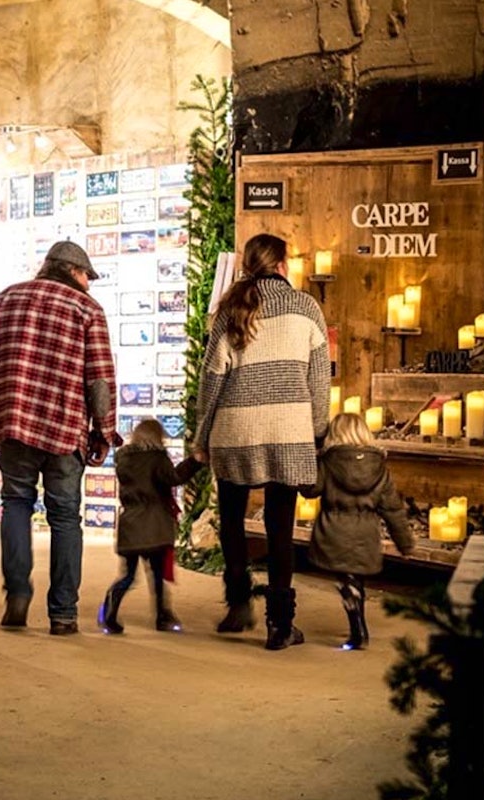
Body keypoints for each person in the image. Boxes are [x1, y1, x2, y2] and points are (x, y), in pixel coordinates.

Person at [0, 240, 120, 636]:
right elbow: (99, 378)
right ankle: (63, 613)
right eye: (87, 275)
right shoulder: (87, 309)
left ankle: (17, 593)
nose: (89, 283)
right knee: (65, 517)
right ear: (71, 270)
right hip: (65, 429)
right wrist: (103, 430)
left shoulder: (6, 299)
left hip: (14, 424)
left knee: (16, 503)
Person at [194, 233, 331, 651]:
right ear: (283, 265)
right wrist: (317, 431)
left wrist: (202, 436)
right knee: (279, 527)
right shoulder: (307, 306)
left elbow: (211, 379)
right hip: (288, 431)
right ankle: (279, 624)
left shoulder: (230, 308)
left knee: (233, 520)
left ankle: (238, 606)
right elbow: (320, 380)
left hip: (235, 432)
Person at [307, 413, 415, 650]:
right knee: (356, 580)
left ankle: (357, 625)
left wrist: (308, 462)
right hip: (365, 535)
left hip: (333, 532)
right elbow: (392, 508)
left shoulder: (328, 462)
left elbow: (311, 490)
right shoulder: (379, 467)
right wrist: (404, 543)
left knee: (346, 579)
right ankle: (357, 619)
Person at [99, 419, 203, 635]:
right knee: (156, 576)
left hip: (130, 525)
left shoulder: (124, 459)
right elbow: (173, 478)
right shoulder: (157, 458)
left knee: (128, 576)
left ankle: (110, 611)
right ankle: (162, 617)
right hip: (155, 526)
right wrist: (195, 461)